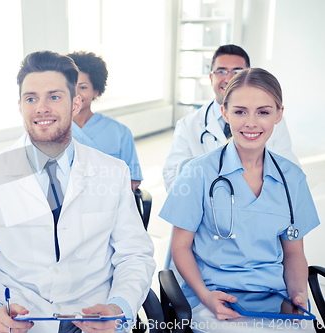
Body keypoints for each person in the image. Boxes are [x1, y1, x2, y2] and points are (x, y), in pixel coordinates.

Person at [0, 50, 155, 333]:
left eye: (54, 97)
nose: (41, 108)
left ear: (75, 103)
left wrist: (119, 306)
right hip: (19, 320)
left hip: (93, 318)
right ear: (20, 106)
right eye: (31, 98)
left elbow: (134, 254)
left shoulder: (113, 172)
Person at [159, 68, 320, 332]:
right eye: (240, 111)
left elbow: (293, 253)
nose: (251, 123)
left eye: (264, 112)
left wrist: (298, 295)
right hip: (213, 297)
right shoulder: (198, 173)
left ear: (279, 114)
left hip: (273, 298)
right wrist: (205, 296)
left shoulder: (293, 178)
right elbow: (180, 248)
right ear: (225, 113)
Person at [163, 44, 299, 192]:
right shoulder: (188, 125)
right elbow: (173, 176)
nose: (229, 78)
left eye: (237, 71)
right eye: (221, 71)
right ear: (211, 77)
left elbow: (289, 173)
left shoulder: (272, 120)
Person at [67, 51, 143, 191]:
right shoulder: (53, 130)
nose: (75, 93)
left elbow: (133, 178)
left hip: (110, 204)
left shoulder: (120, 132)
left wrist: (106, 199)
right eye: (70, 86)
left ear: (95, 91)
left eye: (83, 87)